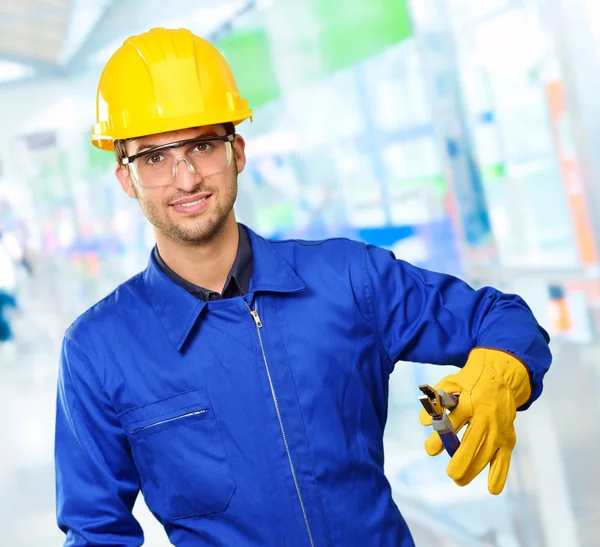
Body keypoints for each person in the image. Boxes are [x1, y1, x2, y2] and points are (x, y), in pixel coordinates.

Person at [54, 27, 552, 547]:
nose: (184, 177)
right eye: (154, 157)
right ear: (124, 178)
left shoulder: (347, 280)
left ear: (237, 152)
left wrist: (501, 371)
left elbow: (502, 317)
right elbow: (95, 533)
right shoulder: (99, 349)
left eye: (202, 145)